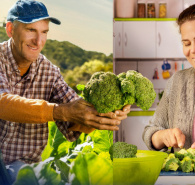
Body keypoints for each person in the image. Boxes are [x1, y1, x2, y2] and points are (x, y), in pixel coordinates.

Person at [0, 0, 130, 183]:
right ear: (11, 29)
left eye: (44, 32)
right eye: (31, 30)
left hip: (25, 169)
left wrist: (104, 114)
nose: (39, 41)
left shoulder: (49, 72)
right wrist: (60, 111)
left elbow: (76, 122)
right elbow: (2, 104)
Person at [143, 2, 195, 161]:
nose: (193, 50)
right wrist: (162, 136)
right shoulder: (177, 82)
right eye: (186, 43)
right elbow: (150, 131)